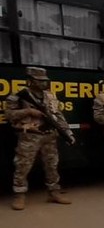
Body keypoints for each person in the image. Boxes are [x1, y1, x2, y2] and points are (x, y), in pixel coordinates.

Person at [7, 66, 73, 210]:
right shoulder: (18, 95)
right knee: (23, 166)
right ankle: (19, 195)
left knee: (52, 165)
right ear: (30, 80)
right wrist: (29, 111)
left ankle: (53, 192)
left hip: (49, 135)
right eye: (40, 81)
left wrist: (68, 132)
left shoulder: (50, 96)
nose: (44, 83)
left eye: (45, 81)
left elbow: (58, 115)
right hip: (29, 135)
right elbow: (9, 115)